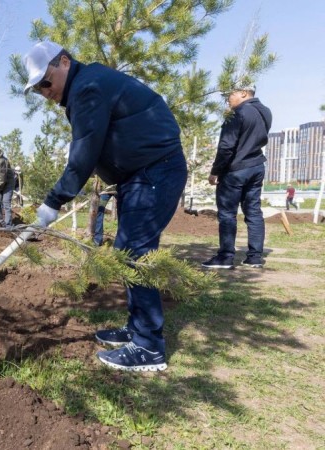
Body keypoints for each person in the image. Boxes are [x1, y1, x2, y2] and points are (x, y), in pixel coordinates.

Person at [24, 41, 187, 371]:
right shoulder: (88, 84)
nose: (44, 91)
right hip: (141, 175)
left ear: (65, 62)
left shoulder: (89, 87)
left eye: (45, 81)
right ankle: (137, 329)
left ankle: (149, 347)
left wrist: (53, 201)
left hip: (155, 170)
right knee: (127, 251)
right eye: (37, 87)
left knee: (135, 253)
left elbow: (83, 154)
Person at [201, 84, 272, 270]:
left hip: (235, 170)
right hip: (257, 166)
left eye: (229, 95)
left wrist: (215, 171)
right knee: (254, 211)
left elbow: (226, 146)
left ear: (243, 93)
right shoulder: (265, 111)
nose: (227, 99)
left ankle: (225, 257)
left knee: (227, 214)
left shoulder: (237, 113)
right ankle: (255, 257)